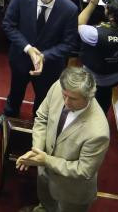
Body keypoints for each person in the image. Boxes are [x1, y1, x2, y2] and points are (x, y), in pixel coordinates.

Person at [15, 66, 109, 212]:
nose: (65, 101)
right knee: (45, 203)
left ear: (88, 96)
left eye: (72, 98)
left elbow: (84, 171)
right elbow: (42, 118)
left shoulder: (98, 132)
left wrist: (46, 160)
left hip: (71, 192)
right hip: (45, 175)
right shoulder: (59, 86)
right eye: (64, 95)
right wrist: (37, 151)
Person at [0, 0, 78, 125]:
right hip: (21, 59)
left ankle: (37, 124)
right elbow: (8, 25)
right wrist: (28, 48)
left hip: (49, 66)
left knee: (43, 98)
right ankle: (8, 115)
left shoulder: (69, 9)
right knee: (15, 92)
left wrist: (43, 56)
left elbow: (69, 44)